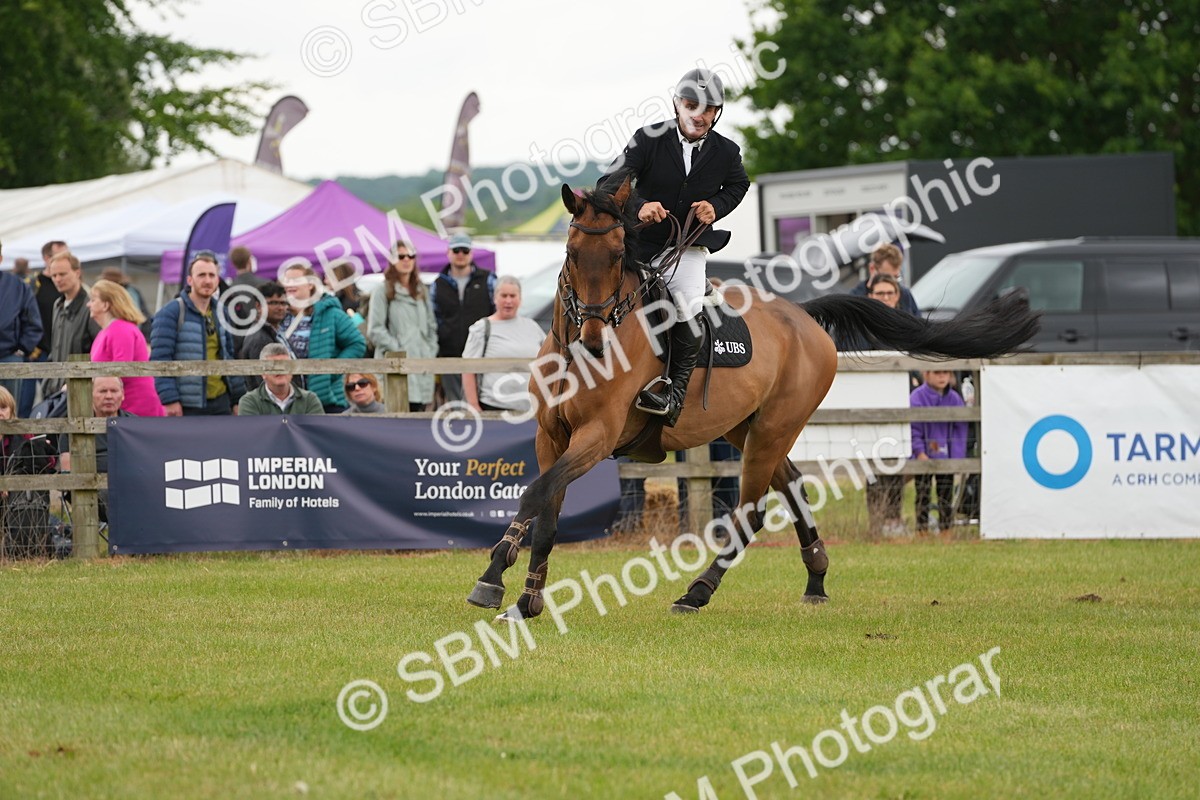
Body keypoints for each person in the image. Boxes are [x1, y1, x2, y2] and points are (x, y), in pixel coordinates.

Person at [600, 68, 750, 426]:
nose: (699, 114)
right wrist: (639, 205)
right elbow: (608, 183)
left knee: (687, 303)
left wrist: (717, 206)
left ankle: (674, 393)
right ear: (678, 104)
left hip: (686, 246)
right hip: (641, 244)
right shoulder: (647, 139)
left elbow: (739, 185)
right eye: (691, 105)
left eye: (708, 108)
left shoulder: (727, 151)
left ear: (716, 113)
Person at [150, 252, 246, 416]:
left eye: (212, 275)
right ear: (189, 280)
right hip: (186, 404)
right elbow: (160, 359)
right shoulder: (171, 312)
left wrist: (237, 399)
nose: (207, 280)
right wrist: (170, 399)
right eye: (201, 275)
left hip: (221, 401)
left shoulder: (222, 313)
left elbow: (230, 357)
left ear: (218, 280)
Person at [280, 263, 366, 413]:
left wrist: (331, 371)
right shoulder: (279, 315)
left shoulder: (330, 312)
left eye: (296, 280)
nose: (290, 285)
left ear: (310, 285)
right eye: (287, 281)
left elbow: (357, 344)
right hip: (288, 399)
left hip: (326, 398)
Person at [368, 241, 437, 410]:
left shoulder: (421, 290)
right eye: (401, 256)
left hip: (422, 366)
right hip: (394, 366)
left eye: (411, 256)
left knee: (420, 415)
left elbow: (431, 326)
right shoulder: (381, 290)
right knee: (396, 417)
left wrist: (430, 350)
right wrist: (399, 350)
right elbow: (375, 330)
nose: (406, 260)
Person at [462, 276, 544, 414]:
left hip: (531, 410)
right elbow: (467, 369)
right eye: (504, 296)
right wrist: (473, 405)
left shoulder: (533, 327)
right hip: (493, 407)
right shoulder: (482, 328)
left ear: (520, 299)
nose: (508, 301)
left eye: (513, 296)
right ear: (495, 298)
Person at [59, 377, 133, 523]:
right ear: (90, 394)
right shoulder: (75, 426)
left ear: (123, 394)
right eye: (103, 391)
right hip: (92, 490)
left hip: (132, 487)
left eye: (114, 391)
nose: (109, 396)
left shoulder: (135, 424)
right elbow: (67, 472)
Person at [432, 233, 495, 404]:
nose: (460, 254)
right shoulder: (438, 284)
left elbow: (496, 312)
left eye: (465, 250)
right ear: (448, 253)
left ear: (471, 253)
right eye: (456, 250)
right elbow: (434, 319)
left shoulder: (488, 279)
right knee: (455, 406)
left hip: (482, 355)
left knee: (481, 403)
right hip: (449, 355)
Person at [87, 279, 164, 417]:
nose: (88, 304)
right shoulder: (105, 332)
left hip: (136, 407)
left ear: (105, 305)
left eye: (93, 300)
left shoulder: (120, 329)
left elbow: (121, 370)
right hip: (119, 407)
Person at [911, 370, 967, 533]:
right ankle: (922, 530)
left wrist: (956, 457)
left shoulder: (955, 399)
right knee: (922, 494)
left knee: (946, 495)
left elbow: (960, 430)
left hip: (946, 457)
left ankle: (946, 530)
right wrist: (919, 451)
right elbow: (913, 428)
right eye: (937, 373)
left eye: (945, 373)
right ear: (926, 374)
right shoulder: (916, 398)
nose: (942, 377)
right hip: (923, 456)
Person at [42, 251, 101, 398]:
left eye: (62, 274)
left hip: (80, 391)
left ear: (77, 272)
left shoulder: (91, 306)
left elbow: (101, 352)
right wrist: (47, 382)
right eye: (54, 275)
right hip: (55, 390)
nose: (58, 279)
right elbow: (55, 350)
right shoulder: (58, 305)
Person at [0, 240, 44, 409]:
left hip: (8, 358)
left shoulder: (17, 287)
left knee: (8, 413)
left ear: (1, 258)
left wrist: (22, 349)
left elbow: (33, 322)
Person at [238, 281, 299, 390]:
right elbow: (265, 384)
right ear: (258, 305)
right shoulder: (259, 338)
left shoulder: (277, 332)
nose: (280, 308)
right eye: (273, 303)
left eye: (283, 303)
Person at [238, 344, 325, 416]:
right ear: (263, 373)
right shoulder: (249, 402)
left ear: (292, 370)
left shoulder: (309, 400)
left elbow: (317, 431)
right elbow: (251, 431)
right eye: (273, 366)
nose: (280, 370)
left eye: (285, 365)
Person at [851, 243, 920, 316]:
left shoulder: (905, 295)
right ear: (872, 269)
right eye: (887, 278)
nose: (892, 283)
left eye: (896, 277)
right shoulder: (855, 299)